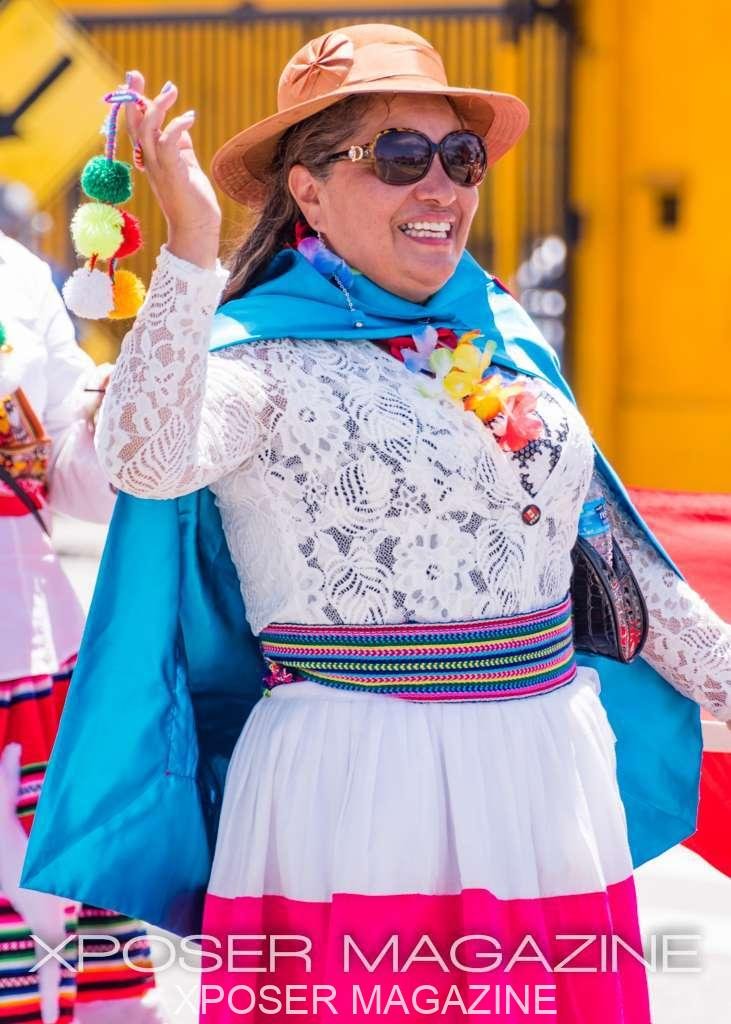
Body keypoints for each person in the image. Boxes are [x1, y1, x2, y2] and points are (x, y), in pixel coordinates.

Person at [21, 23, 731, 1024]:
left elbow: (614, 562)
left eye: (460, 156)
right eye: (398, 156)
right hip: (357, 789)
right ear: (306, 192)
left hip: (543, 777)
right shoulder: (256, 359)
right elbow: (145, 459)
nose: (440, 186)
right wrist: (188, 248)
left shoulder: (494, 338)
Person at [0, 229, 164, 1023]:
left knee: (50, 950)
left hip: (24, 652)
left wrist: (105, 425)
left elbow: (72, 480)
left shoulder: (13, 274)